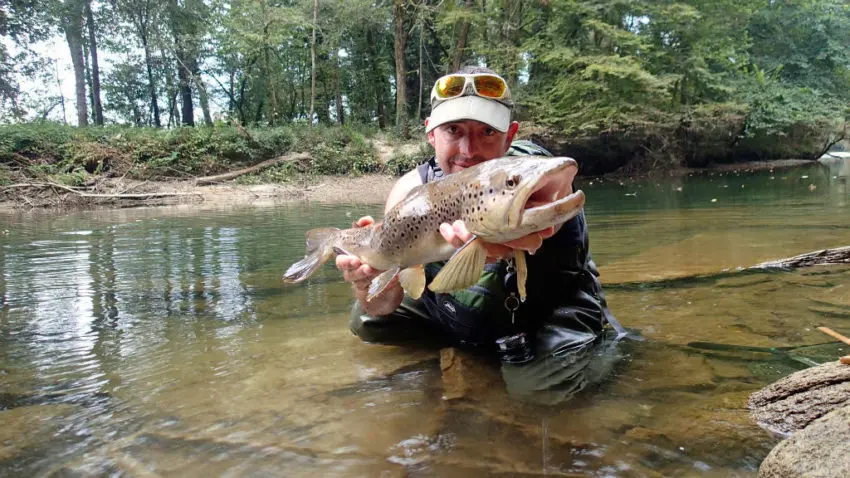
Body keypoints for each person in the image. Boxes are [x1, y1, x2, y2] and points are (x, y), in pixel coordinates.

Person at [336, 66, 625, 404]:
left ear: (510, 135)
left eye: (487, 131)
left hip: (543, 311)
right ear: (431, 133)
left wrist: (507, 241)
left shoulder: (536, 179)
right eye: (453, 130)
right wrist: (363, 282)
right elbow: (383, 301)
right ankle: (465, 346)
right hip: (460, 312)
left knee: (541, 395)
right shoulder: (407, 192)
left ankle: (594, 348)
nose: (468, 150)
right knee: (367, 320)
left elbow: (553, 215)